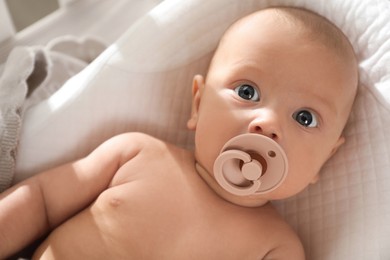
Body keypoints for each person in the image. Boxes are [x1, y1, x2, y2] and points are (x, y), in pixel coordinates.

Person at [0, 6, 358, 259]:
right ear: (198, 105)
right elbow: (42, 203)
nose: (267, 123)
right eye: (247, 92)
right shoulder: (136, 154)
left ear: (324, 160)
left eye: (305, 117)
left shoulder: (276, 248)